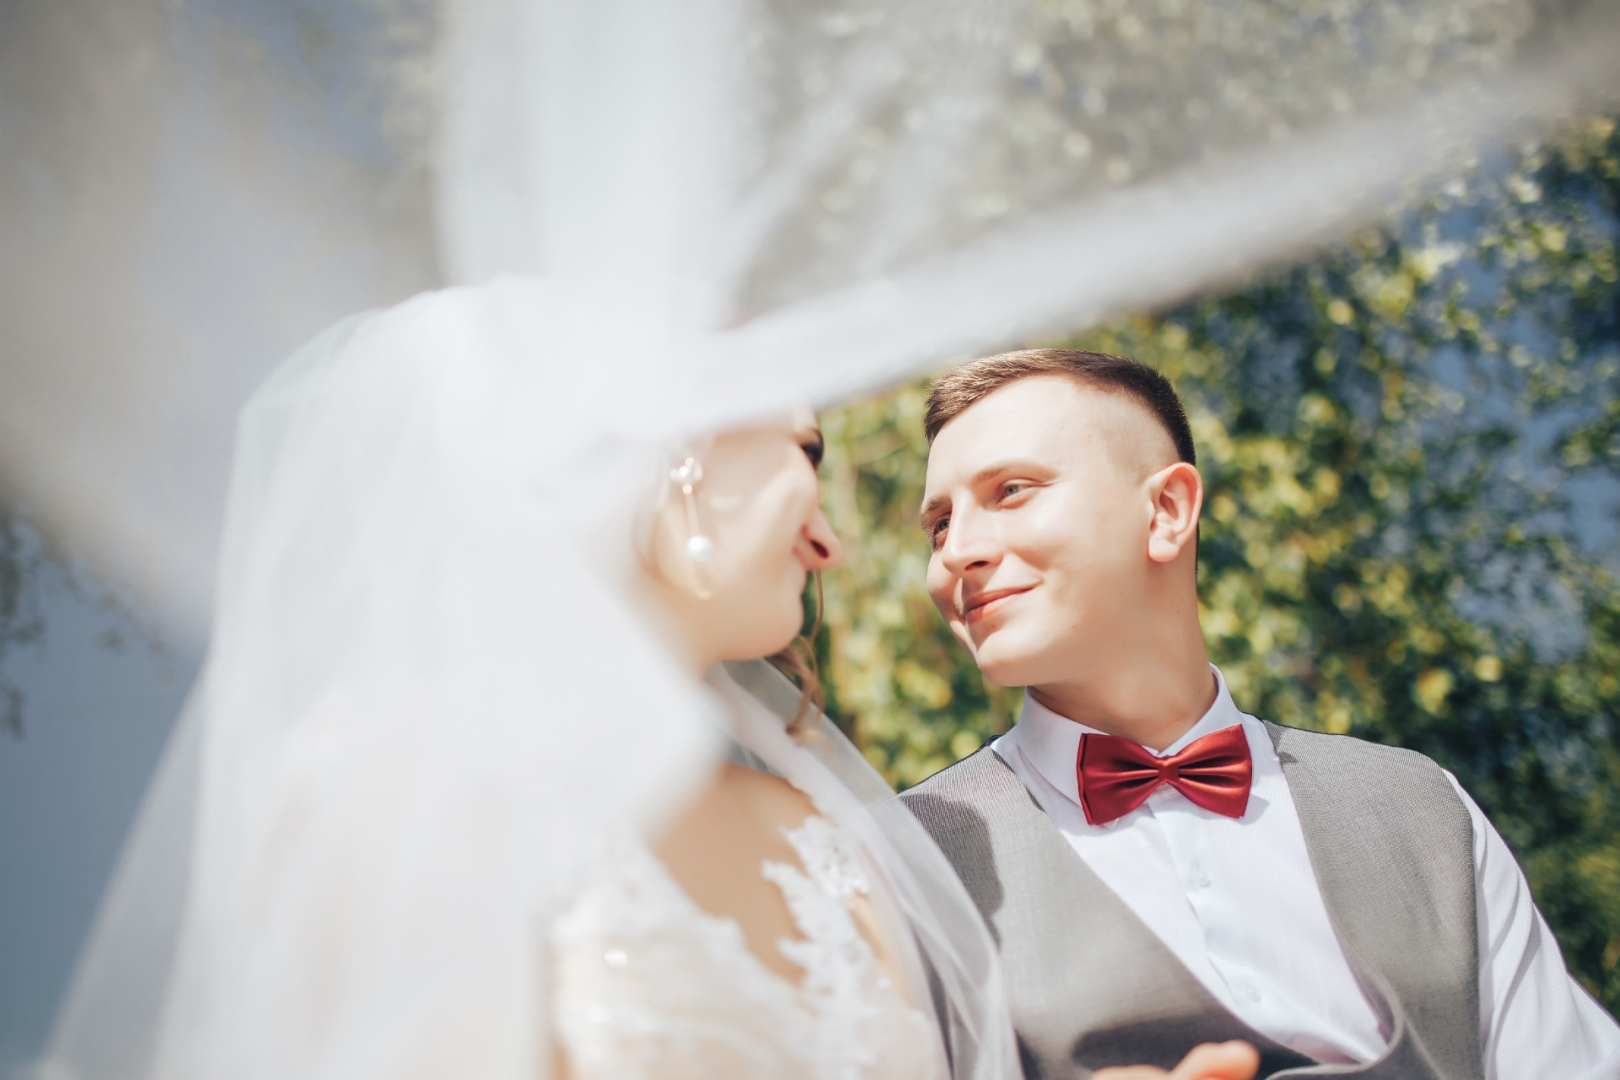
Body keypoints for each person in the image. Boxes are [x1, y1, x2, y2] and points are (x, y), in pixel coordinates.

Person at [900, 348, 1620, 1079]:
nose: (956, 552)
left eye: (1012, 490)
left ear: (1167, 511)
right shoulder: (898, 860)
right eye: (938, 525)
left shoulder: (1427, 809)